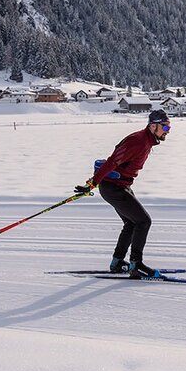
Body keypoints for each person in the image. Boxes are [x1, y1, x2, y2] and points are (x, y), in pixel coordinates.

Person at [75, 109, 171, 278]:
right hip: (113, 187)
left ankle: (117, 262)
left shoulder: (146, 141)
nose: (167, 131)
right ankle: (136, 265)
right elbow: (112, 161)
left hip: (120, 185)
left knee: (132, 222)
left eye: (168, 127)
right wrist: (92, 183)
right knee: (143, 221)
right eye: (165, 127)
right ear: (153, 126)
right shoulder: (137, 141)